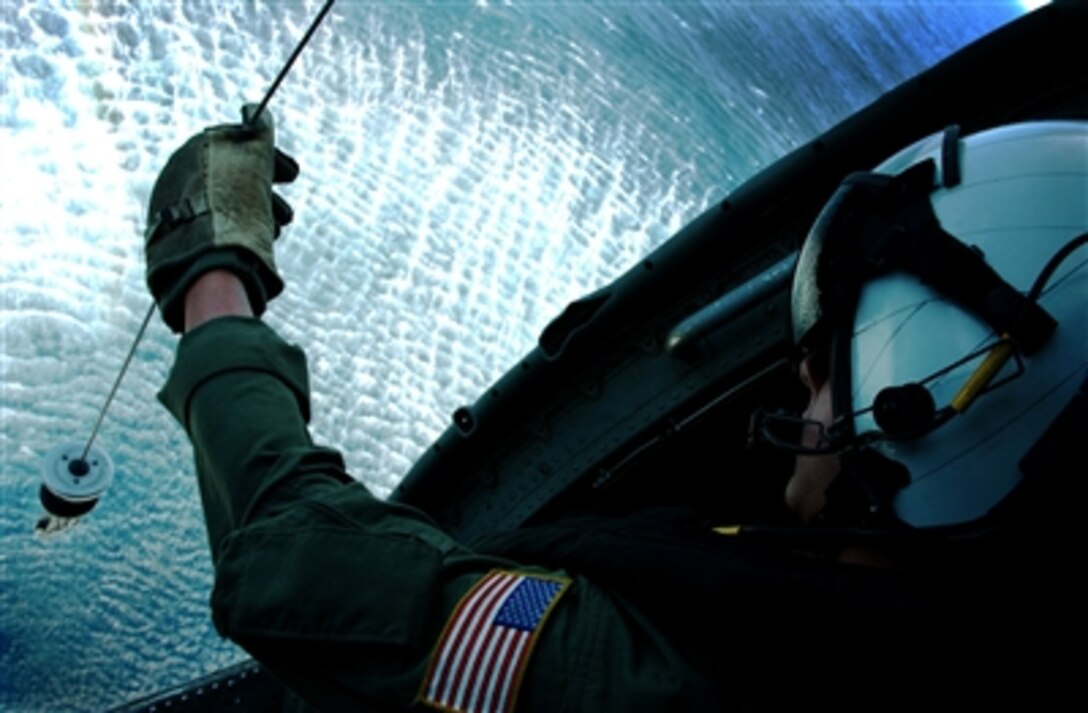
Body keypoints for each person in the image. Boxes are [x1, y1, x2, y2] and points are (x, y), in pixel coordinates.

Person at [147, 109, 1085, 712]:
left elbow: (304, 560)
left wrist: (212, 273)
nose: (799, 381)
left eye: (829, 357)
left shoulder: (664, 682)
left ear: (927, 403)